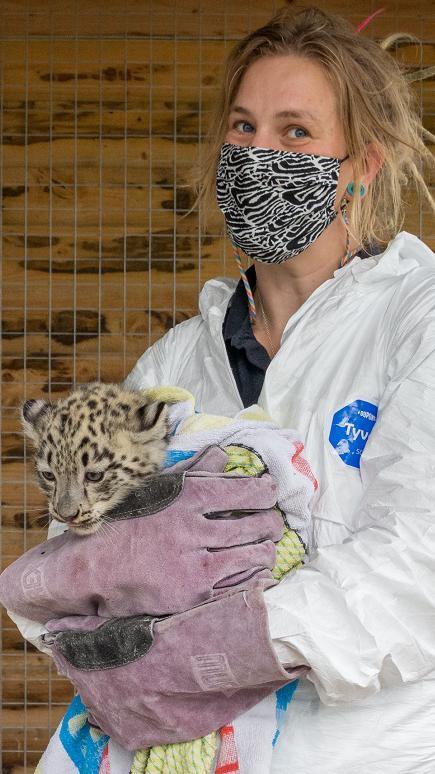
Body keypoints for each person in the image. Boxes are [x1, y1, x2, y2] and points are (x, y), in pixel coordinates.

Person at [122, 5, 435, 773]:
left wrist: (234, 639)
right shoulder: (171, 368)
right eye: (243, 128)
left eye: (295, 133)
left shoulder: (414, 319)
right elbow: (91, 557)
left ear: (359, 166)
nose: (260, 154)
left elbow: (416, 558)